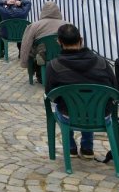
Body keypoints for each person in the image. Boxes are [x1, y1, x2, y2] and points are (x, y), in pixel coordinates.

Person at [44, 24, 115, 157]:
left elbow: (51, 94)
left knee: (67, 104)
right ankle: (87, 148)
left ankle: (70, 147)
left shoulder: (54, 66)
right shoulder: (102, 63)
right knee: (90, 104)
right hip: (100, 115)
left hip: (69, 115)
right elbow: (114, 89)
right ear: (81, 40)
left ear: (59, 42)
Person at [18, 1, 65, 82]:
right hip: (62, 52)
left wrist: (24, 62)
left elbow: (26, 44)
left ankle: (39, 72)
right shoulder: (67, 25)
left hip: (44, 53)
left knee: (34, 50)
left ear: (43, 11)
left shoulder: (34, 26)